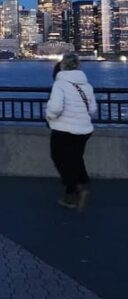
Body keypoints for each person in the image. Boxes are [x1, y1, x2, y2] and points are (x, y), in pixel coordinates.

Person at [46, 52, 97, 210]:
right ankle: (81, 185)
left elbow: (55, 108)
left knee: (60, 159)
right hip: (84, 130)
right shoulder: (86, 85)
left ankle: (74, 191)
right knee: (76, 158)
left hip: (63, 129)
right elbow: (93, 109)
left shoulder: (60, 84)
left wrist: (49, 116)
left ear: (62, 66)